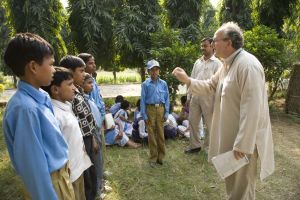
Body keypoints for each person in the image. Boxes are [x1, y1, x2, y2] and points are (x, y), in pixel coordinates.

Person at [172, 22, 275, 199]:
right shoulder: (226, 65)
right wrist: (187, 80)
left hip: (244, 144)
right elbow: (209, 86)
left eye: (215, 40)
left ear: (228, 42)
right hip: (230, 138)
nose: (212, 45)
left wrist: (243, 143)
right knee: (232, 186)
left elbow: (252, 108)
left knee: (242, 190)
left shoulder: (247, 65)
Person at [2, 33, 75, 200]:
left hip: (59, 177)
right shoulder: (26, 109)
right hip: (48, 186)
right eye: (50, 64)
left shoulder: (40, 96)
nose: (54, 70)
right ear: (33, 67)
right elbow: (33, 168)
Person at [42, 67, 92, 200]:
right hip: (69, 174)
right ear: (55, 90)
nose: (74, 88)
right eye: (69, 84)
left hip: (78, 167)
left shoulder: (66, 106)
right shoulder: (55, 115)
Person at [60, 55, 99, 200]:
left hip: (88, 137)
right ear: (69, 71)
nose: (84, 74)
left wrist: (93, 137)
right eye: (81, 71)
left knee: (92, 170)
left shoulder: (78, 90)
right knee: (86, 176)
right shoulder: (68, 95)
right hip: (81, 141)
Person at [185, 37, 222, 154]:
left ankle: (208, 148)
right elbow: (191, 79)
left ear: (212, 46)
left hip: (209, 98)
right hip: (195, 97)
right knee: (193, 121)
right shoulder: (198, 62)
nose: (202, 48)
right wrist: (188, 97)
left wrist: (218, 101)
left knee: (210, 124)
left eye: (205, 46)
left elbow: (219, 84)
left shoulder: (218, 64)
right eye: (202, 46)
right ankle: (194, 146)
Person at [141, 59, 170, 167]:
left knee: (161, 133)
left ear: (159, 71)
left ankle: (161, 157)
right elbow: (143, 100)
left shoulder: (163, 84)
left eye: (156, 69)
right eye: (152, 70)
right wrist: (144, 115)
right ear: (148, 71)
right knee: (151, 134)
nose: (154, 72)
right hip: (150, 110)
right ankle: (153, 158)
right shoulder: (145, 85)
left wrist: (166, 113)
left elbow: (167, 99)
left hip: (161, 109)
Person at [82, 73, 104, 198]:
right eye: (89, 83)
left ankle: (99, 186)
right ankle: (97, 190)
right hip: (91, 133)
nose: (92, 86)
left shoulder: (88, 97)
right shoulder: (82, 99)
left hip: (96, 129)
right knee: (95, 162)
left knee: (99, 160)